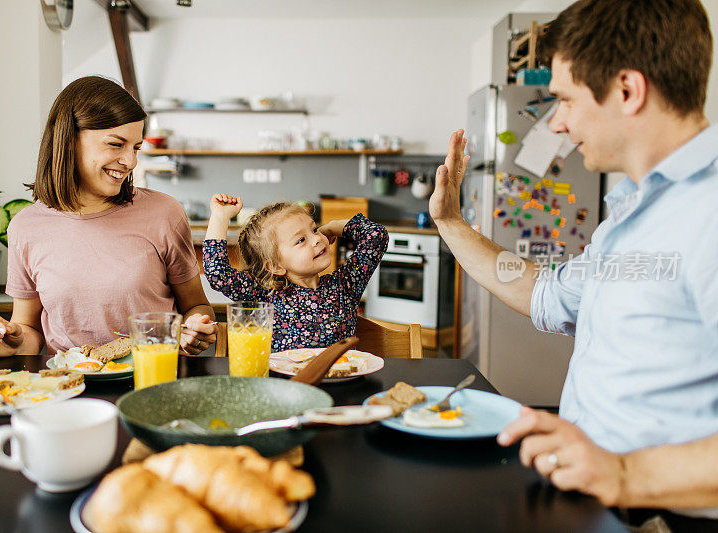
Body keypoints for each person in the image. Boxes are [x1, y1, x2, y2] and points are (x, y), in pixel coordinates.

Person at [430, 0, 718, 515]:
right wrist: (452, 223)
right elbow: (544, 292)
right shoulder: (633, 213)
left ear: (627, 91)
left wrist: (627, 475)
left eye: (563, 99)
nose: (557, 123)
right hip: (597, 500)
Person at [0, 76, 216, 357]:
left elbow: (197, 306)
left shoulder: (164, 213)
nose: (131, 161)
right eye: (115, 144)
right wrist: (8, 340)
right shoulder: (26, 227)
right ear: (69, 140)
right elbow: (28, 329)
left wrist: (196, 328)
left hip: (153, 382)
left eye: (135, 147)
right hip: (70, 386)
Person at [202, 193, 387, 351]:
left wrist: (332, 227)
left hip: (339, 385)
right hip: (285, 388)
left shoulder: (345, 285)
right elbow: (218, 275)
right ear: (275, 266)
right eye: (301, 240)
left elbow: (376, 236)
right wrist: (220, 217)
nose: (316, 239)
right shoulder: (267, 294)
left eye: (314, 229)